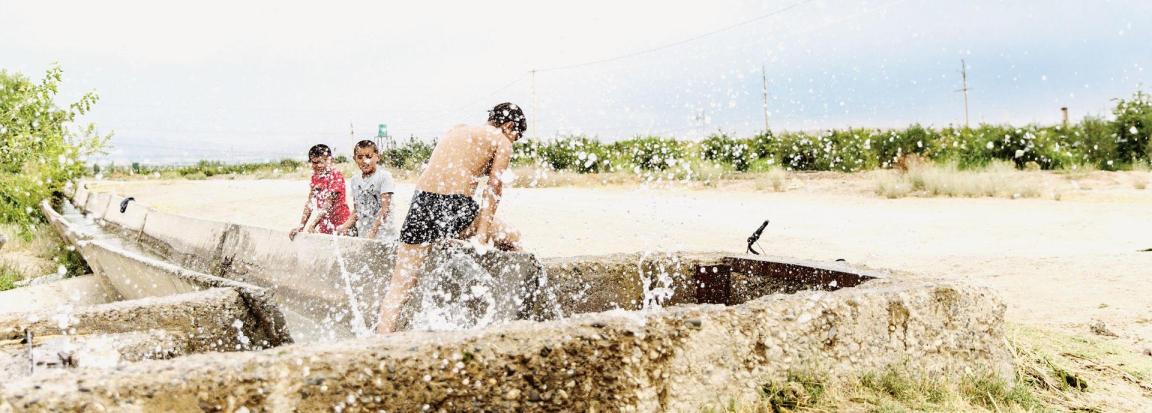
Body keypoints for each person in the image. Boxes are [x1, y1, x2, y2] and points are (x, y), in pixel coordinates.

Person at [376, 102, 525, 334]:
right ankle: (512, 315)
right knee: (512, 237)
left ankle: (379, 342)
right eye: (516, 135)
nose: (514, 140)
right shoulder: (502, 139)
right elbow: (494, 187)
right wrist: (483, 235)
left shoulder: (457, 129)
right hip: (455, 204)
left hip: (421, 203)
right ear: (508, 125)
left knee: (401, 285)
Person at [335, 140, 397, 240]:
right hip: (364, 234)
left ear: (377, 157)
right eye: (360, 157)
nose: (364, 161)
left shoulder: (384, 177)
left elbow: (384, 209)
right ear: (354, 159)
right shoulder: (355, 179)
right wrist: (344, 227)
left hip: (384, 235)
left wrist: (372, 233)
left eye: (368, 156)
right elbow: (357, 211)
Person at [289, 144, 352, 240]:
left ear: (329, 160)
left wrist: (313, 224)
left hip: (342, 225)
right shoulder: (315, 178)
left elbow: (328, 203)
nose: (317, 166)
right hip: (325, 226)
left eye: (320, 162)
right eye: (313, 163)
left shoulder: (335, 176)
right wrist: (301, 226)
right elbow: (310, 204)